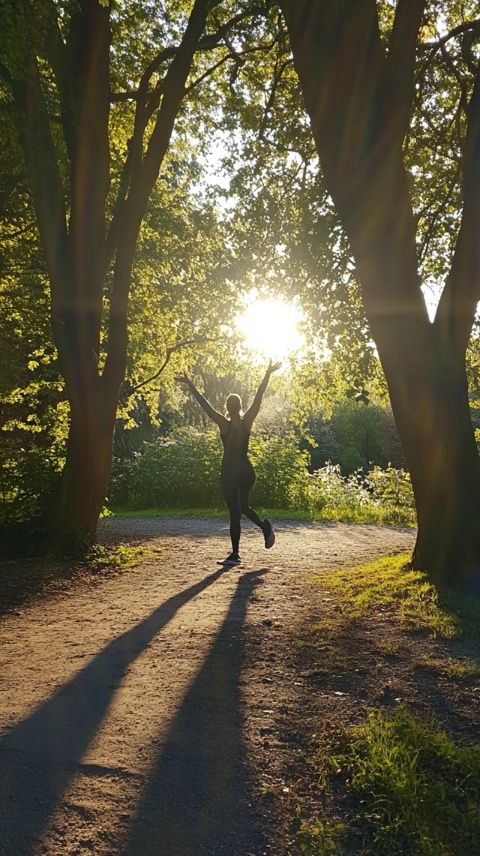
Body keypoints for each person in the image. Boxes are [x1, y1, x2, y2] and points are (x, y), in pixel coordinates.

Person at [175, 361, 281, 565]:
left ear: (227, 407)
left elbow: (205, 405)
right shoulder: (248, 421)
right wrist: (267, 373)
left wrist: (189, 383)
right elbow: (258, 400)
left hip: (230, 473)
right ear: (240, 407)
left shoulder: (223, 424)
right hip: (247, 471)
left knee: (235, 512)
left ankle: (235, 554)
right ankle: (265, 526)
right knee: (243, 507)